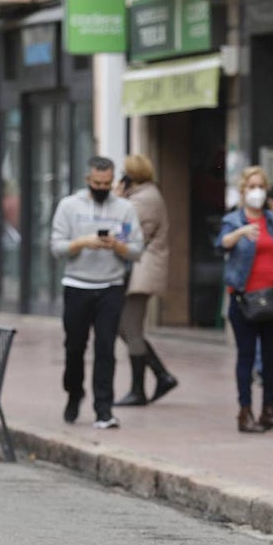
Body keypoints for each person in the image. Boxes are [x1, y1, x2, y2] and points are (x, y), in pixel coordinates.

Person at [50, 155, 144, 429]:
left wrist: (117, 246)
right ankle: (74, 392)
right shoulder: (69, 206)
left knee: (106, 348)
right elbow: (56, 247)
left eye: (106, 183)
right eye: (96, 182)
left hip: (111, 287)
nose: (102, 187)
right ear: (87, 180)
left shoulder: (125, 209)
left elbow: (137, 250)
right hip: (77, 285)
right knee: (74, 347)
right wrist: (82, 242)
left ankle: (104, 409)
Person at [216, 165, 273, 433]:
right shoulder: (234, 220)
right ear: (242, 191)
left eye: (261, 187)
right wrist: (241, 233)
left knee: (272, 358)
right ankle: (244, 412)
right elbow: (221, 243)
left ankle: (269, 410)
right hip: (244, 300)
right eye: (251, 187)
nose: (257, 192)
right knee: (247, 356)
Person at [113, 154, 178, 407]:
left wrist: (117, 200)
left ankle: (139, 389)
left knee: (130, 328)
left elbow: (125, 232)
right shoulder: (143, 195)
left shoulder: (144, 199)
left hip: (143, 270)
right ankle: (161, 375)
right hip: (138, 269)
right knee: (125, 327)